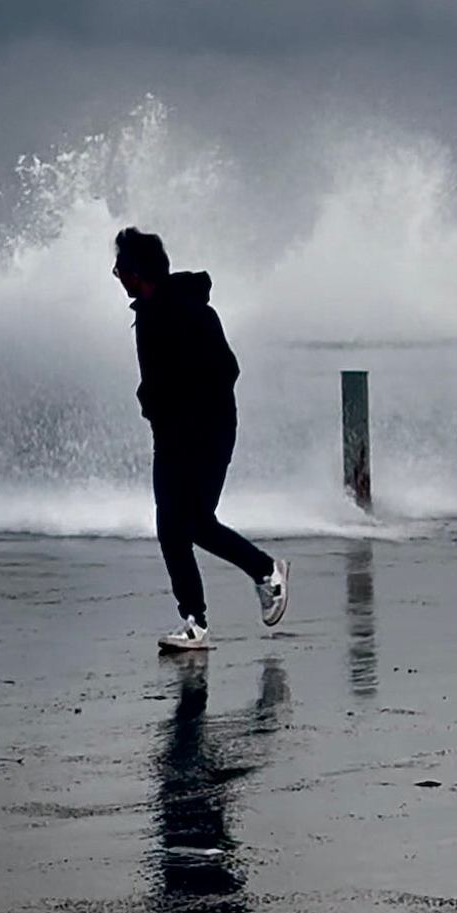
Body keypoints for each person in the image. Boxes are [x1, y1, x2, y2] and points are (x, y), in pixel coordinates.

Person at [114, 228, 288, 653]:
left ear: (137, 272)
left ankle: (267, 573)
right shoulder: (149, 311)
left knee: (193, 522)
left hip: (207, 433)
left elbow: (226, 370)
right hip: (171, 435)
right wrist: (154, 406)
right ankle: (195, 622)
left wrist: (180, 408)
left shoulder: (190, 311)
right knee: (171, 527)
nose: (117, 276)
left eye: (120, 268)